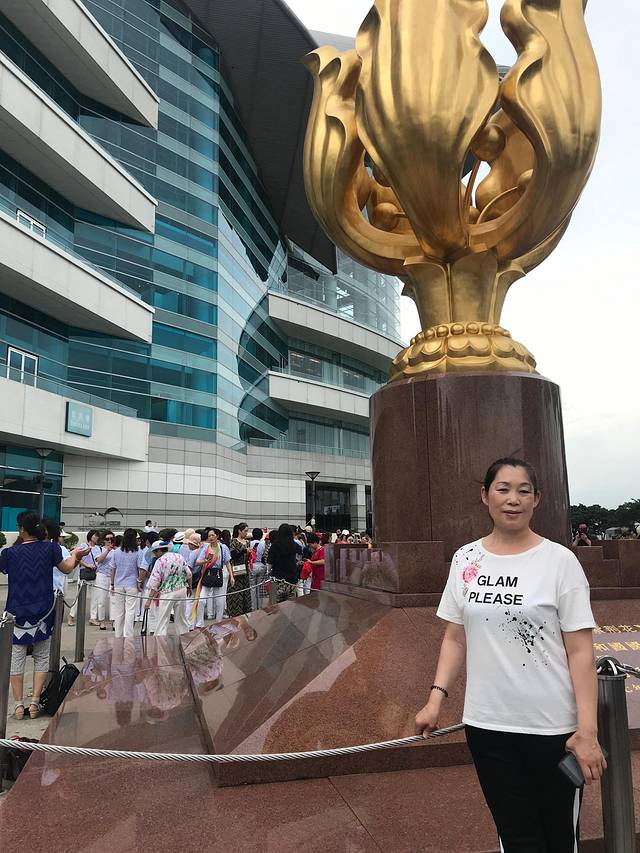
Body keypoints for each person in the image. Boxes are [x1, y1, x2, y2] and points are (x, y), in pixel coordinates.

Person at [415, 457, 606, 852]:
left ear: (537, 499)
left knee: (557, 839)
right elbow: (455, 638)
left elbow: (580, 651)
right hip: (487, 726)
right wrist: (436, 699)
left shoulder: (559, 561)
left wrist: (587, 731)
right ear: (485, 496)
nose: (513, 499)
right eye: (503, 489)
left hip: (553, 729)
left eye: (523, 491)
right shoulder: (466, 559)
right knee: (516, 838)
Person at [0, 512, 88, 719]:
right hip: (44, 610)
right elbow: (66, 569)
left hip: (17, 612)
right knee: (41, 656)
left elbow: (4, 569)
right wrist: (76, 556)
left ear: (22, 529)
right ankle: (35, 702)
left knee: (16, 657)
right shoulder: (50, 548)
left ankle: (18, 705)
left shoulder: (10, 553)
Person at [144, 540, 192, 636]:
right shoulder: (179, 557)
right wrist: (189, 587)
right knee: (181, 619)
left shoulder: (160, 561)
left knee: (163, 619)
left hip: (167, 592)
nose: (155, 554)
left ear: (159, 550)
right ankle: (185, 639)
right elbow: (189, 574)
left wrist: (149, 600)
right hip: (181, 589)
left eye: (155, 552)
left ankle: (160, 641)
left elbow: (155, 582)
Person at [110, 528, 143, 638]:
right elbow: (140, 568)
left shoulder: (117, 552)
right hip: (132, 584)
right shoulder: (138, 552)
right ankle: (128, 635)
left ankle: (118, 635)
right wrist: (139, 582)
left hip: (118, 583)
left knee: (119, 611)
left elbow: (113, 569)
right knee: (130, 611)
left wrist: (112, 583)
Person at [196, 528, 233, 622]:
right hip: (208, 573)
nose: (211, 537)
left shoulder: (223, 547)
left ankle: (218, 621)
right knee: (202, 599)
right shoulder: (206, 548)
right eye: (209, 536)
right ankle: (199, 623)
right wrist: (205, 561)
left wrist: (231, 576)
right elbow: (198, 562)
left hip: (218, 573)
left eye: (212, 535)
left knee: (219, 600)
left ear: (217, 536)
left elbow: (227, 562)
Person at [68, 529, 101, 626]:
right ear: (90, 536)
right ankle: (71, 615)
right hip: (84, 572)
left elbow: (98, 560)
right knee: (79, 596)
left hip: (94, 573)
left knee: (95, 597)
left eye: (97, 536)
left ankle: (93, 617)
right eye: (95, 535)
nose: (96, 537)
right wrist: (87, 565)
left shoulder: (98, 548)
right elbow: (77, 558)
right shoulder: (83, 546)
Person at [267, 524, 299, 602]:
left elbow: (269, 562)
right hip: (292, 580)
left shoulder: (275, 545)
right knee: (291, 605)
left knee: (275, 604)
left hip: (277, 579)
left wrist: (269, 571)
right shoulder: (294, 544)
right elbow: (300, 554)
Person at [228, 523, 252, 616]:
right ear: (239, 531)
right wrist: (244, 551)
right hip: (236, 569)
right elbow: (233, 555)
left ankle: (246, 610)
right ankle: (235, 612)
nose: (246, 533)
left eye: (247, 531)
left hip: (245, 569)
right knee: (236, 591)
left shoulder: (247, 542)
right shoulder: (234, 541)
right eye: (245, 531)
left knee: (245, 589)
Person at [95, 531, 116, 631]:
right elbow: (99, 560)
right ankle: (102, 621)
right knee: (101, 600)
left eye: (111, 539)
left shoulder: (116, 551)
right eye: (107, 539)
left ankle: (114, 621)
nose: (109, 541)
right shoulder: (100, 549)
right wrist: (107, 550)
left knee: (114, 600)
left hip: (113, 577)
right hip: (102, 575)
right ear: (104, 540)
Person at [183, 532, 205, 629]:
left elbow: (189, 570)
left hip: (193, 579)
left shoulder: (193, 553)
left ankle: (189, 624)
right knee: (197, 601)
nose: (188, 545)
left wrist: (188, 583)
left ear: (192, 544)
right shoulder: (202, 551)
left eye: (189, 543)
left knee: (190, 601)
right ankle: (196, 622)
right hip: (200, 578)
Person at [248, 527, 268, 611]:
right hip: (261, 565)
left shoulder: (249, 543)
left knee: (252, 588)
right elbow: (265, 556)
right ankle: (259, 607)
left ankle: (253, 607)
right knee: (260, 588)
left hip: (252, 565)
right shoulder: (263, 544)